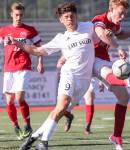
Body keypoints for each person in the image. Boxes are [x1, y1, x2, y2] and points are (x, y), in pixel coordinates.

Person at [5, 2, 113, 150]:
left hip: (84, 81)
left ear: (76, 16)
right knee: (62, 105)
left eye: (72, 16)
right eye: (66, 17)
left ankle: (34, 137)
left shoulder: (88, 27)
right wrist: (16, 41)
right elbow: (37, 51)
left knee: (61, 110)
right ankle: (44, 142)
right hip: (69, 74)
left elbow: (102, 37)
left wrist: (110, 36)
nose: (70, 19)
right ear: (61, 20)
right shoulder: (61, 38)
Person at [63, 1, 130, 149]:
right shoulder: (99, 20)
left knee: (124, 96)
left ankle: (116, 137)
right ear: (111, 9)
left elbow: (121, 35)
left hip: (100, 61)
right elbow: (100, 34)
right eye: (120, 13)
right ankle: (59, 120)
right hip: (88, 59)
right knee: (68, 101)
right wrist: (117, 47)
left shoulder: (115, 24)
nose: (123, 16)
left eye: (125, 13)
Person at [0, 2, 44, 140]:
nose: (19, 17)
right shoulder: (4, 30)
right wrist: (5, 42)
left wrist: (40, 62)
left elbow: (39, 48)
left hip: (24, 66)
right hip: (8, 68)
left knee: (19, 98)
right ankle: (16, 127)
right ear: (11, 14)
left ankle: (28, 125)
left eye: (21, 15)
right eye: (16, 15)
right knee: (9, 101)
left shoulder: (30, 30)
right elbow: (2, 44)